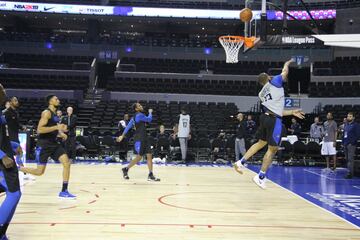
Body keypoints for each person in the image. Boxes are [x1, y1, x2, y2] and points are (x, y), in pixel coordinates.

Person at [234, 59, 305, 189]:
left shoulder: (261, 93)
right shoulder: (275, 82)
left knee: (261, 142)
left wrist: (292, 112)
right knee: (272, 149)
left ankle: (240, 162)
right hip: (274, 120)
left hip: (265, 118)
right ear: (268, 77)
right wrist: (287, 63)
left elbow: (277, 110)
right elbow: (285, 73)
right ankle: (260, 176)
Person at [18, 95, 76, 199]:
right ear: (50, 101)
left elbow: (53, 129)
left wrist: (60, 133)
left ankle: (64, 190)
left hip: (54, 144)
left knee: (67, 163)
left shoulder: (55, 114)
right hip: (44, 145)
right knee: (39, 172)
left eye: (58, 99)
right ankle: (18, 168)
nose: (58, 100)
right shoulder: (46, 112)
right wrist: (56, 127)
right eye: (56, 99)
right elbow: (40, 130)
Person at [117, 103, 160, 181]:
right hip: (139, 138)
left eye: (141, 105)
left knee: (149, 155)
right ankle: (126, 169)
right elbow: (149, 119)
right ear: (136, 109)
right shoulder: (139, 115)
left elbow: (128, 127)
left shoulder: (134, 117)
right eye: (139, 106)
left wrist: (122, 135)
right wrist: (150, 112)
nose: (141, 106)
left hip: (145, 138)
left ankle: (150, 174)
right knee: (139, 157)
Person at [0, 84, 22, 240]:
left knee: (15, 194)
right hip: (3, 160)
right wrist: (2, 155)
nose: (4, 92)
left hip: (7, 154)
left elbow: (3, 138)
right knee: (14, 194)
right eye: (2, 90)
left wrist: (14, 146)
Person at [343, 112, 360, 179]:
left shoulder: (356, 125)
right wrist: (343, 143)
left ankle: (350, 173)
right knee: (347, 159)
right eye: (348, 116)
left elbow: (358, 135)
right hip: (345, 144)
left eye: (350, 116)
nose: (348, 117)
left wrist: (352, 143)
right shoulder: (346, 125)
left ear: (353, 118)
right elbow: (344, 134)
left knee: (350, 159)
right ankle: (349, 171)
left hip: (351, 145)